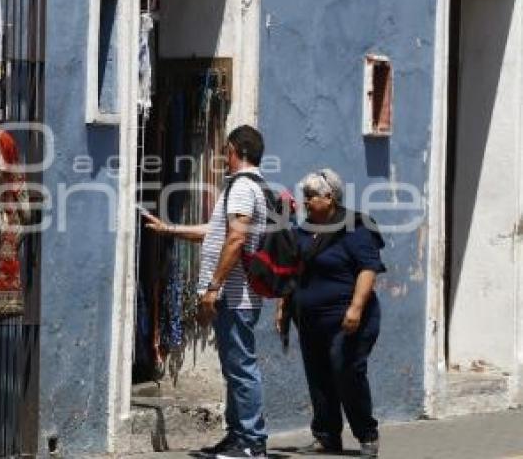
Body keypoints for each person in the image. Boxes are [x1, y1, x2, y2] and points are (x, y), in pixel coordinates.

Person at [144, 125, 269, 459]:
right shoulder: (242, 187)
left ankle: (251, 441)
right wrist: (169, 229)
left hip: (235, 296)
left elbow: (236, 239)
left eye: (226, 151)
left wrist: (213, 287)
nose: (222, 157)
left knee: (241, 368)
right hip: (233, 295)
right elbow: (215, 233)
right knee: (234, 368)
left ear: (238, 151)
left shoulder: (243, 188)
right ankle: (237, 436)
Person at [278, 168, 384, 458]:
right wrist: (285, 307)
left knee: (346, 370)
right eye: (305, 196)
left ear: (330, 197)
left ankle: (367, 435)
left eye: (311, 196)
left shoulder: (355, 227)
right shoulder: (304, 232)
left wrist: (356, 307)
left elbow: (368, 268)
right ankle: (326, 436)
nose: (307, 201)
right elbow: (294, 271)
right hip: (310, 320)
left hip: (348, 320)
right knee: (319, 376)